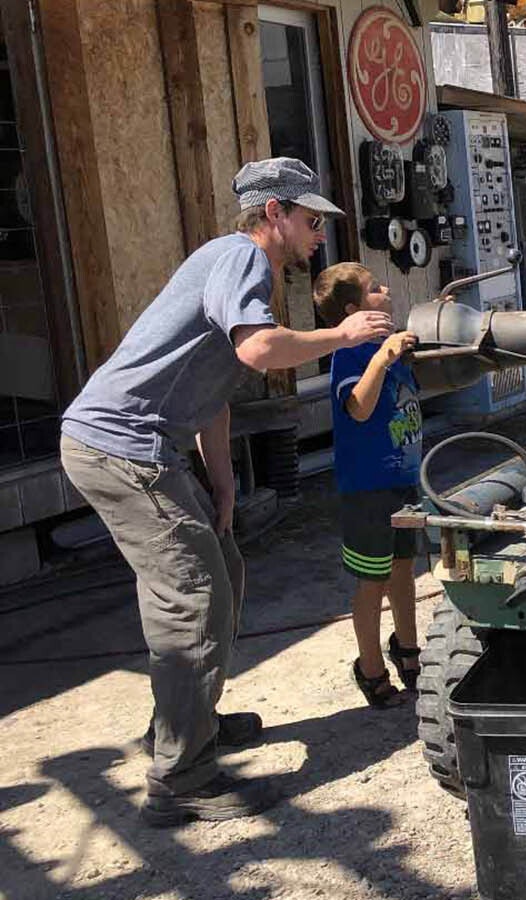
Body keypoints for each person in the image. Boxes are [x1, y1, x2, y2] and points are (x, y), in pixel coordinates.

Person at [58, 158, 393, 826]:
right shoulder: (241, 258)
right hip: (121, 447)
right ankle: (181, 776)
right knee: (192, 599)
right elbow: (259, 351)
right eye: (309, 220)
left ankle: (191, 723)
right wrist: (341, 335)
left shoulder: (236, 268)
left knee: (221, 570)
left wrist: (221, 485)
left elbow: (215, 391)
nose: (318, 235)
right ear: (275, 214)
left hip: (137, 446)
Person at [314, 263, 423, 709]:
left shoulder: (388, 350)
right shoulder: (351, 354)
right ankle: (371, 667)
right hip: (368, 490)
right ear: (354, 310)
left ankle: (409, 648)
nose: (386, 290)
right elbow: (358, 407)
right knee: (371, 582)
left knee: (404, 572)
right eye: (375, 288)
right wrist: (382, 357)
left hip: (404, 481)